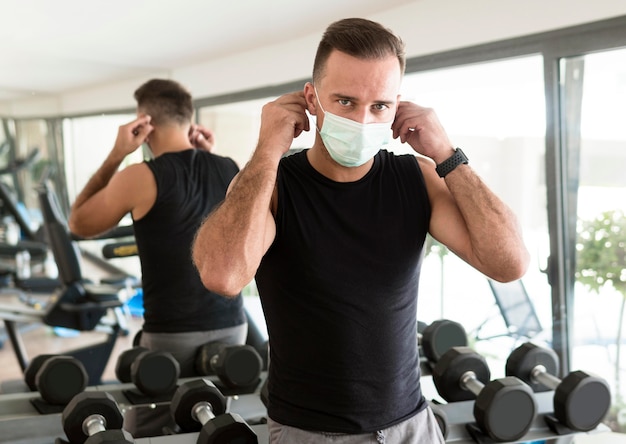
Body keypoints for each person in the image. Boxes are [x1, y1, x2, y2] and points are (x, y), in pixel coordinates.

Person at [192, 18, 530, 444]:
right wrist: (267, 150)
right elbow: (222, 275)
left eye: (379, 106)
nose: (363, 120)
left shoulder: (418, 178)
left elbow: (509, 262)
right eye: (346, 102)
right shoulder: (274, 186)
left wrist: (446, 151)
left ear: (397, 107)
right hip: (309, 433)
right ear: (312, 99)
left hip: (412, 425)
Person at [68, 79, 247, 435]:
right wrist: (209, 156)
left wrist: (118, 153)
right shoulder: (228, 167)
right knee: (213, 425)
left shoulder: (140, 176)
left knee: (144, 431)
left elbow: (78, 222)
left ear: (144, 123)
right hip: (232, 325)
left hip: (171, 334)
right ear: (188, 118)